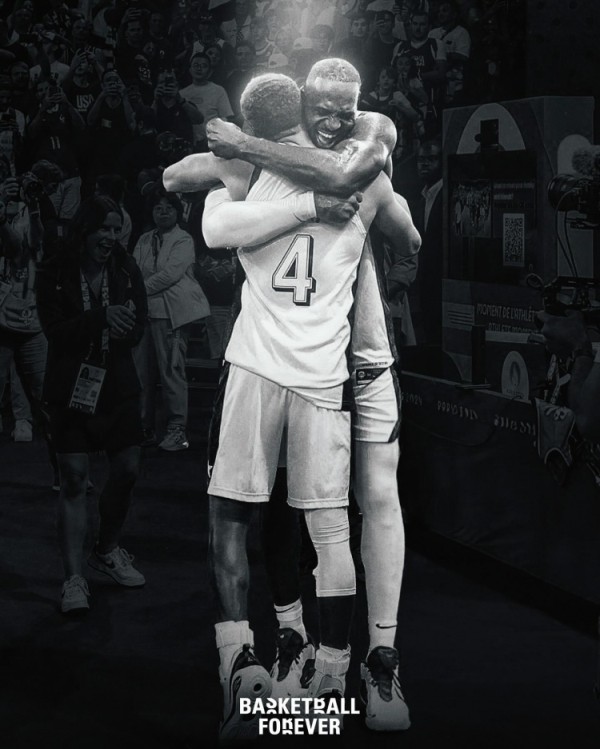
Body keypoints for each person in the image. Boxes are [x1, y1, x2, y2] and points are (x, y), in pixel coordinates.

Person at [165, 63, 420, 735]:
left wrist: (236, 150)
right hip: (319, 367)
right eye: (323, 108)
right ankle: (305, 648)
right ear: (303, 104)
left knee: (352, 504)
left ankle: (364, 658)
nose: (336, 119)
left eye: (346, 109)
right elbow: (410, 236)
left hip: (337, 360)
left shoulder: (342, 150)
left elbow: (187, 190)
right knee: (310, 512)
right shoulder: (339, 174)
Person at [36, 195, 148, 615]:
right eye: (104, 228)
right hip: (70, 386)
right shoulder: (55, 270)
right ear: (84, 230)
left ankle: (106, 549)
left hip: (117, 384)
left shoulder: (125, 267)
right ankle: (73, 578)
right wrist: (101, 317)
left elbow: (138, 325)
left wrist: (125, 328)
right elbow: (54, 331)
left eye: (117, 229)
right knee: (73, 480)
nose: (111, 237)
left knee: (129, 469)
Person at [132, 191, 209, 450]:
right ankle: (144, 427)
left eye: (168, 208)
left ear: (177, 213)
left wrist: (138, 290)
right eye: (158, 208)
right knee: (142, 373)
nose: (163, 212)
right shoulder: (144, 238)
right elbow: (134, 268)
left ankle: (177, 429)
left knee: (171, 372)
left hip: (172, 314)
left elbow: (170, 275)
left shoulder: (183, 239)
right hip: (145, 313)